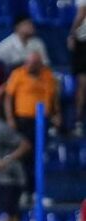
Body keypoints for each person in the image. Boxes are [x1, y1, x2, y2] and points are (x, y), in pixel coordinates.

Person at [4, 51, 60, 196]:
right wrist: (10, 118)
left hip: (43, 121)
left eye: (34, 64)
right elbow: (8, 98)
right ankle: (26, 191)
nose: (29, 66)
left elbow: (54, 98)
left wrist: (56, 114)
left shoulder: (48, 75)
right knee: (25, 156)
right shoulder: (18, 74)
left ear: (39, 64)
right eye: (28, 63)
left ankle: (38, 192)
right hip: (23, 121)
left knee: (40, 156)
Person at [69, 0, 86, 136]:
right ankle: (79, 122)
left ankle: (78, 123)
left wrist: (72, 34)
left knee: (82, 84)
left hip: (83, 43)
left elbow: (81, 13)